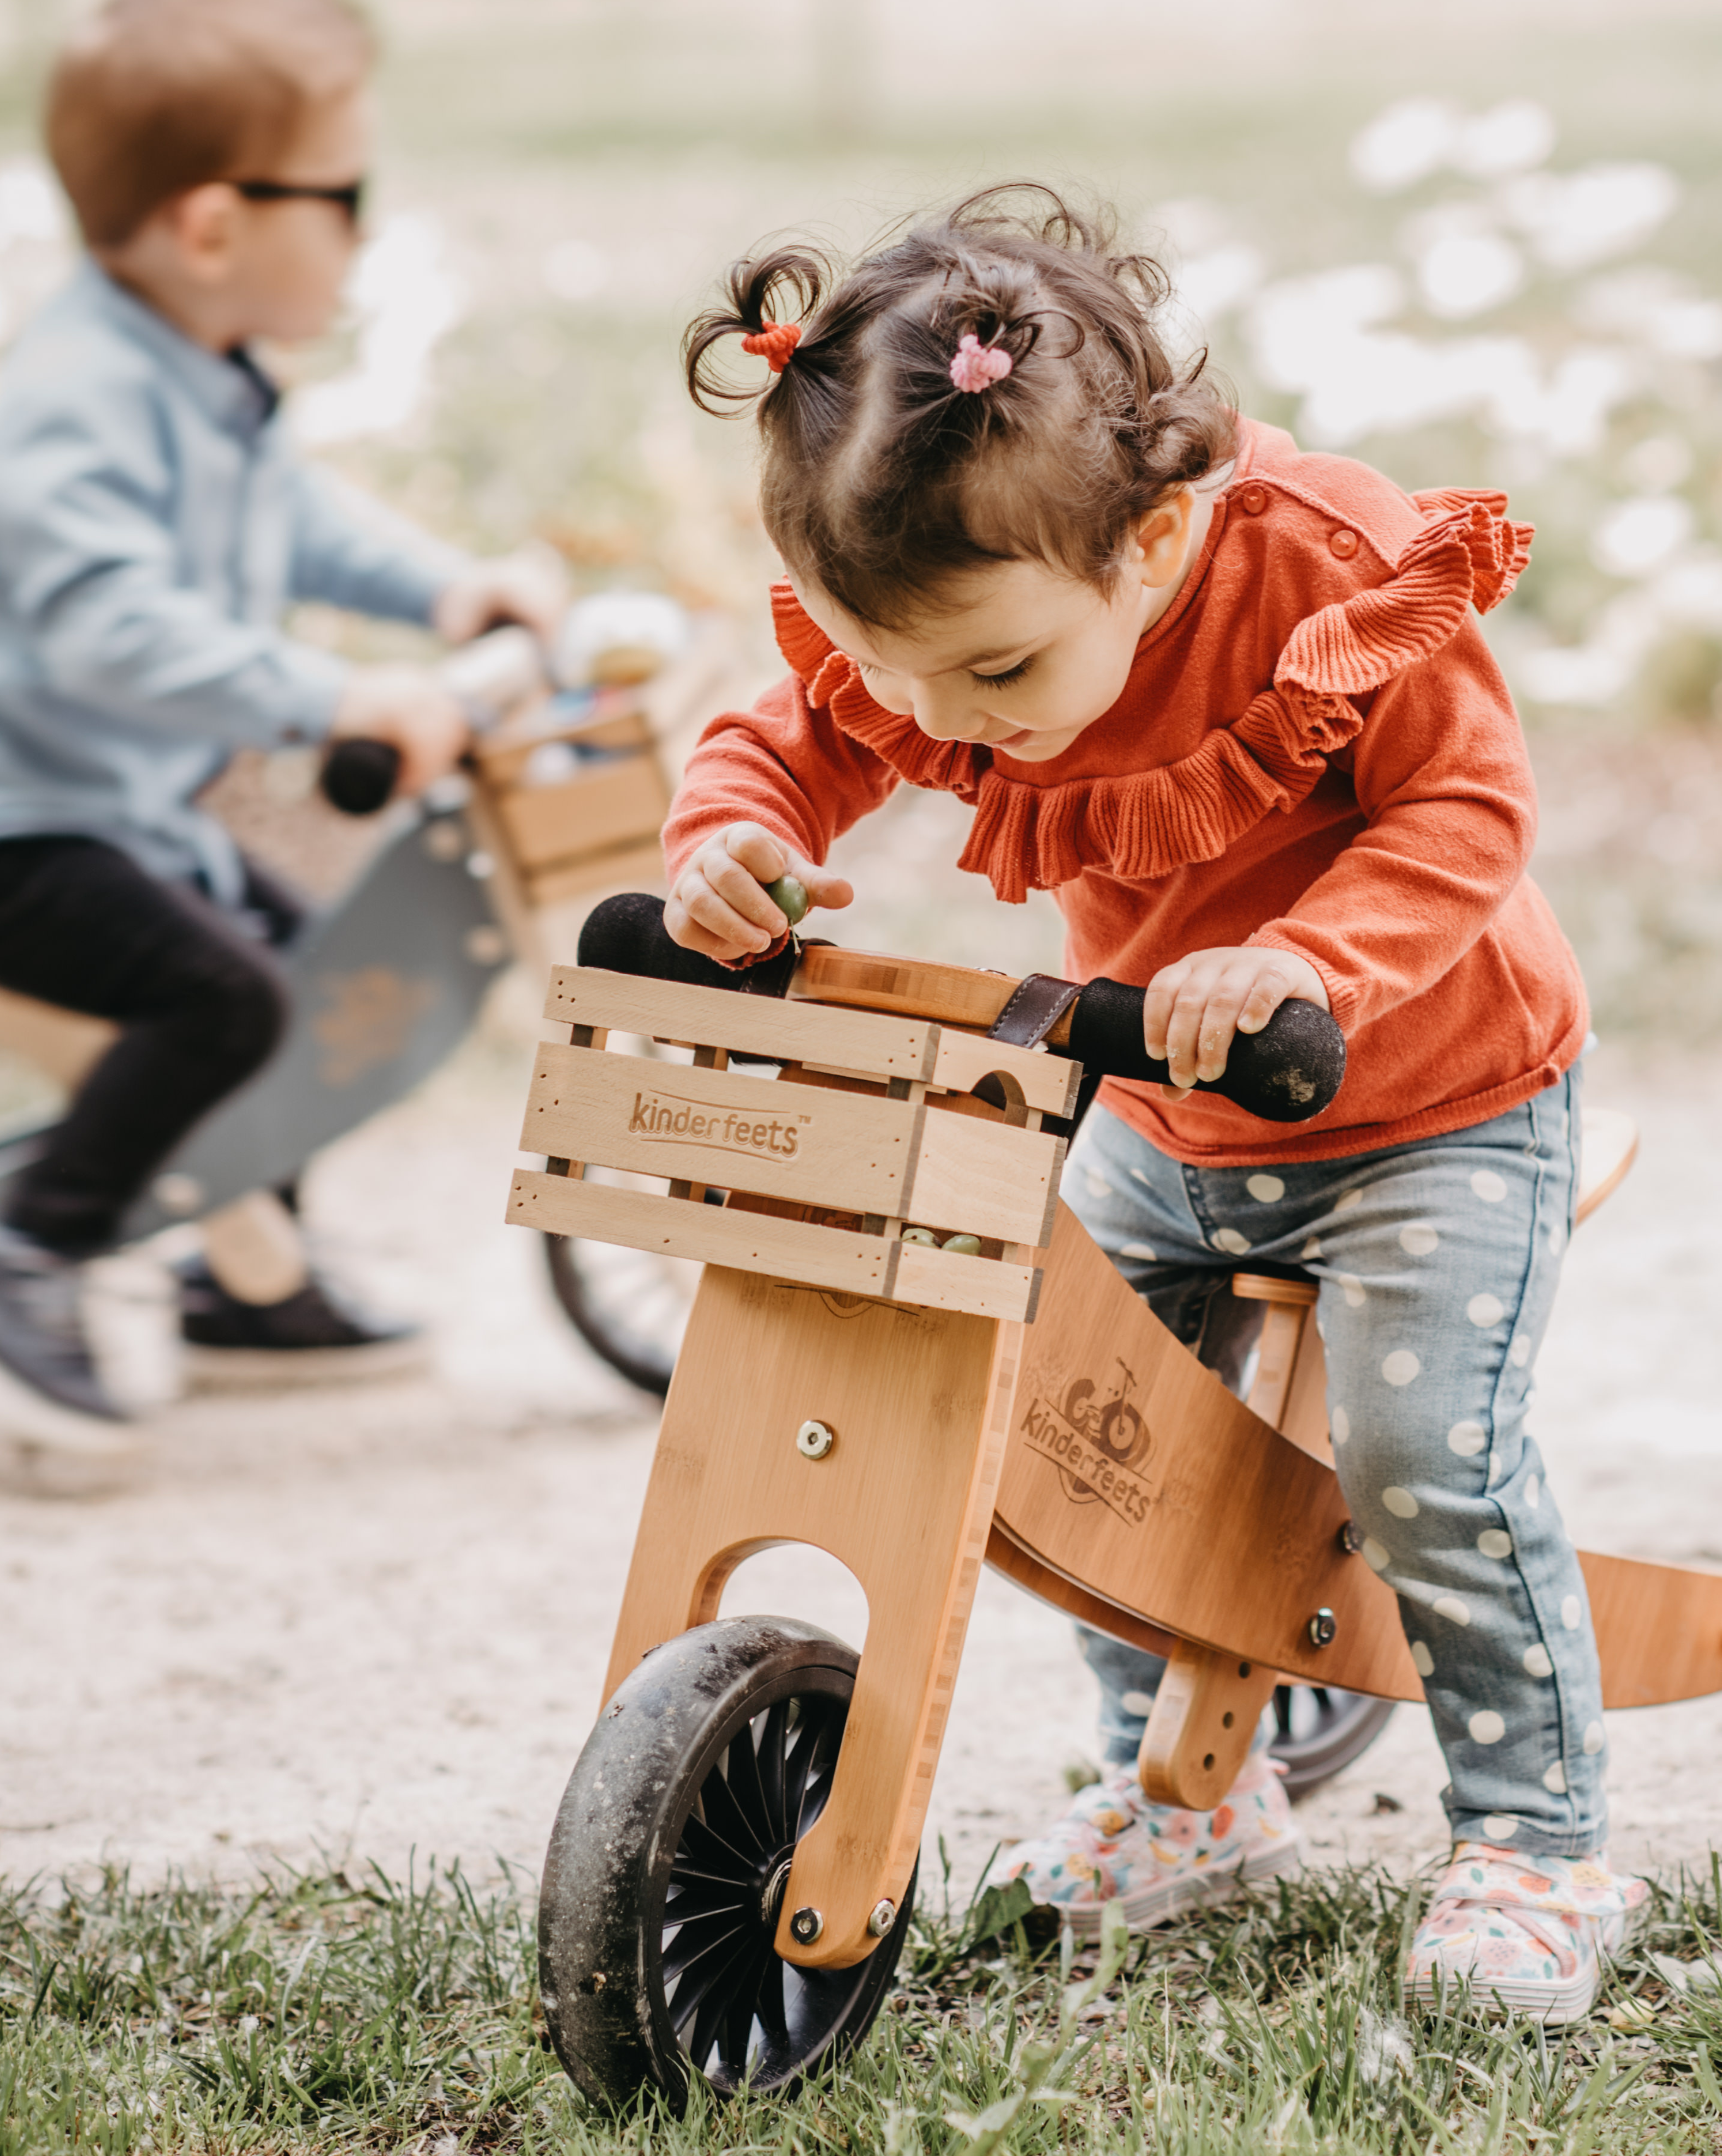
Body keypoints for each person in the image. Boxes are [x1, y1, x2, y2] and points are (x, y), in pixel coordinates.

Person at [657, 187, 1645, 2024]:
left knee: (1426, 1467)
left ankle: (1534, 1838)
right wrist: (735, 839)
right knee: (1075, 1437)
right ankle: (1190, 1792)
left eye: (996, 671)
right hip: (1166, 1115)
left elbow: (1462, 818)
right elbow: (784, 735)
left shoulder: (1315, 563)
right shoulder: (934, 623)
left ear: (1155, 537)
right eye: (881, 662)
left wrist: (1304, 965)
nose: (932, 716)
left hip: (1428, 1100)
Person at [0, 0, 564, 1427]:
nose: (363, 235)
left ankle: (244, 1284)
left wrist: (446, 596)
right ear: (210, 228)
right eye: (343, 199)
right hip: (25, 825)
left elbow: (290, 522)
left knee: (311, 979)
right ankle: (36, 1240)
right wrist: (331, 696)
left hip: (113, 811)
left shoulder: (202, 381)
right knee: (226, 996)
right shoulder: (72, 401)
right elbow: (103, 623)